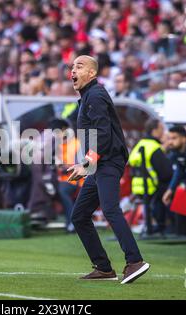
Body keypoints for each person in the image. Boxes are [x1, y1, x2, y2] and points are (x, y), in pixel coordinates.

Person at [67, 55, 150, 284]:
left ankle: (135, 261)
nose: (73, 70)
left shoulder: (94, 95)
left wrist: (86, 163)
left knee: (110, 209)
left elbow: (103, 135)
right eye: (72, 67)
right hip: (99, 163)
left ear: (92, 73)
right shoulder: (88, 96)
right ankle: (103, 267)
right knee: (80, 215)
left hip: (107, 161)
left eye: (79, 66)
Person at [128, 119, 173, 236]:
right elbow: (166, 173)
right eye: (162, 129)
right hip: (152, 187)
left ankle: (154, 225)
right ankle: (166, 226)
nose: (163, 132)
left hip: (138, 186)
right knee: (171, 188)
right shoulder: (154, 147)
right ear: (155, 130)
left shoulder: (140, 144)